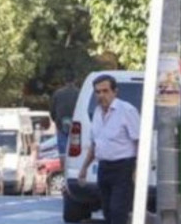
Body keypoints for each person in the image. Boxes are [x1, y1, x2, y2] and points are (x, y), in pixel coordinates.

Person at [78, 74, 139, 224]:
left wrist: (138, 169)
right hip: (104, 167)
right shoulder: (97, 113)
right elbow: (95, 144)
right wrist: (84, 168)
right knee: (107, 211)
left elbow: (139, 141)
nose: (101, 95)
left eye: (105, 91)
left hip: (123, 168)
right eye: (98, 92)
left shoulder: (127, 110)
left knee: (118, 211)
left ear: (114, 92)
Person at [51, 72, 80, 154]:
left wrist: (57, 121)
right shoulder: (79, 93)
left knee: (63, 153)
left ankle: (64, 167)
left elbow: (52, 112)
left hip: (61, 125)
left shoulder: (57, 94)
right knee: (75, 151)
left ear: (64, 81)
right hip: (76, 126)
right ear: (75, 80)